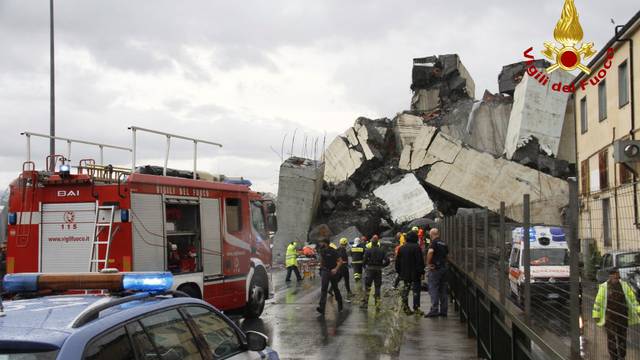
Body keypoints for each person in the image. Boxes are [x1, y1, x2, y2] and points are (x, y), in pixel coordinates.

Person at [593, 268, 640, 360]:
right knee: (611, 338)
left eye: (617, 274)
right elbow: (598, 302)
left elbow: (632, 300)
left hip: (622, 316)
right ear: (610, 276)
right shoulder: (604, 287)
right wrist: (596, 315)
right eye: (614, 274)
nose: (616, 276)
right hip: (610, 317)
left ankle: (622, 356)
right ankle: (613, 357)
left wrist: (638, 310)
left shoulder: (625, 285)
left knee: (622, 337)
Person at [395, 231, 425, 315]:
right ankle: (416, 307)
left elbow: (397, 262)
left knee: (406, 290)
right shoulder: (417, 247)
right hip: (415, 273)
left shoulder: (401, 248)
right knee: (416, 291)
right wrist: (422, 272)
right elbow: (420, 261)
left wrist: (399, 272)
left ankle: (405, 307)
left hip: (405, 273)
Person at [425, 228, 449, 318]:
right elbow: (446, 255)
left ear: (432, 235)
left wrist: (428, 264)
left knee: (433, 288)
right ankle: (444, 310)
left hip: (435, 269)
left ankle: (434, 310)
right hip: (444, 268)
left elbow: (430, 252)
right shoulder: (444, 243)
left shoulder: (434, 243)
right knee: (443, 289)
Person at [361, 236, 390, 310]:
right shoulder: (382, 251)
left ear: (371, 243)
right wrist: (382, 265)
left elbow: (364, 261)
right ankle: (377, 304)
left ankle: (365, 304)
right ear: (378, 243)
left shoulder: (368, 250)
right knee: (377, 287)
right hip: (378, 270)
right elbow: (387, 261)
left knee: (367, 287)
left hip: (370, 270)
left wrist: (365, 267)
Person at [317, 238, 344, 316]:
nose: (320, 244)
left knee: (335, 288)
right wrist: (321, 269)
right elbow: (322, 260)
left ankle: (340, 304)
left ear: (325, 243)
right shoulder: (322, 250)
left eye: (321, 242)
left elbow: (340, 261)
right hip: (325, 271)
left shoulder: (333, 251)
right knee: (324, 288)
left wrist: (335, 269)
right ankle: (321, 307)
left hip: (333, 271)